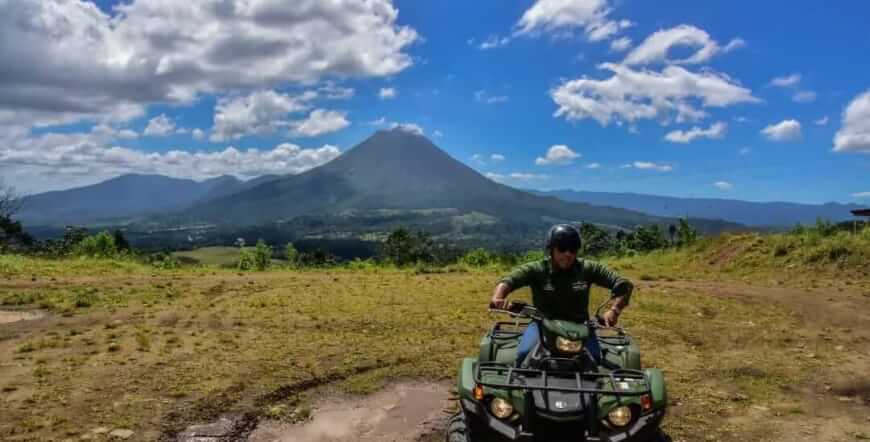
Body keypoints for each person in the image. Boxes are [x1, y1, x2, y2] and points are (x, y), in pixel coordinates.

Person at [491, 224, 634, 365]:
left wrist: (614, 311)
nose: (568, 254)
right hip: (542, 324)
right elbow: (509, 280)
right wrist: (498, 298)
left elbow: (624, 284)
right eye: (562, 248)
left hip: (580, 327)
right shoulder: (538, 269)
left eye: (572, 250)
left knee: (595, 359)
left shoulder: (587, 269)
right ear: (551, 250)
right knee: (523, 355)